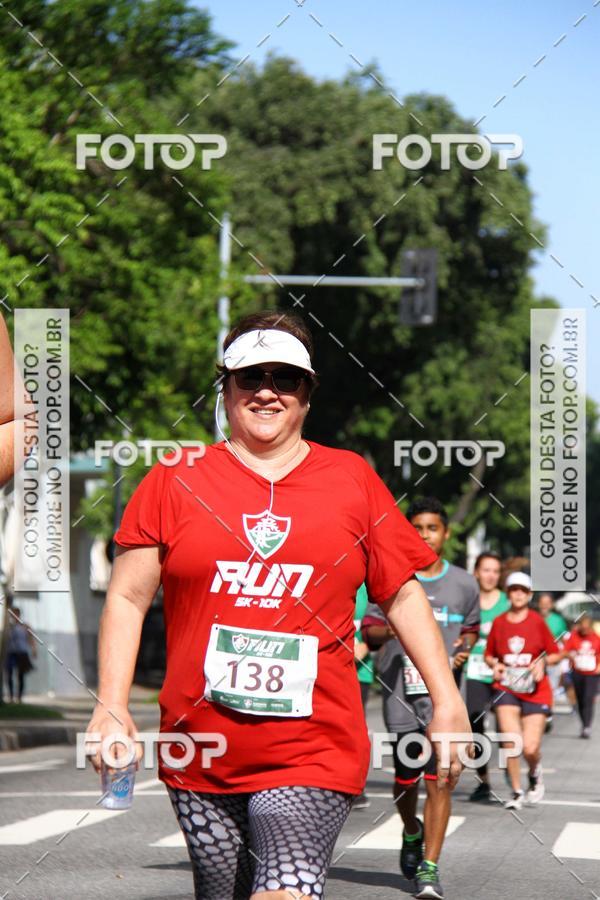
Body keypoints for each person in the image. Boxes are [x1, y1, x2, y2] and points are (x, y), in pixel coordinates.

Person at [85, 311, 471, 900]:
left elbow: (400, 592)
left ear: (307, 394)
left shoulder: (351, 480)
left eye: (285, 378)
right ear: (226, 389)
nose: (267, 390)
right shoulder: (175, 478)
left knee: (285, 889)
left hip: (312, 744)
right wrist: (112, 706)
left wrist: (446, 702)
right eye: (250, 377)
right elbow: (128, 597)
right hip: (201, 750)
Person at [363, 497, 478, 900]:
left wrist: (464, 645)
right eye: (416, 527)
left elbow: (471, 628)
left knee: (441, 780)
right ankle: (411, 831)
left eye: (432, 528)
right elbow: (370, 631)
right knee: (405, 780)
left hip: (443, 703)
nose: (424, 535)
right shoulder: (391, 576)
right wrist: (394, 631)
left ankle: (429, 867)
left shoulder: (465, 583)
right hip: (400, 697)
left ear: (446, 534)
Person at [485, 572, 560, 811]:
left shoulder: (537, 621)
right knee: (510, 741)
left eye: (523, 590)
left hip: (535, 690)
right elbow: (489, 655)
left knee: (529, 747)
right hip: (506, 686)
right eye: (513, 589)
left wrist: (542, 662)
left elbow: (556, 653)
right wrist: (494, 665)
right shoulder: (499, 622)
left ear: (529, 595)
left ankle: (535, 773)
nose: (518, 594)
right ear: (508, 593)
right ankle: (516, 791)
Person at [465, 552, 509, 802]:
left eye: (495, 571)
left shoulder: (507, 602)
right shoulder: (469, 600)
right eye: (486, 570)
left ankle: (511, 772)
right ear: (476, 573)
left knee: (506, 725)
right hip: (474, 671)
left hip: (502, 671)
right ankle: (483, 781)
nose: (490, 576)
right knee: (475, 722)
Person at [353, 583, 374, 809]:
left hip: (359, 671)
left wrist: (366, 646)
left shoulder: (368, 588)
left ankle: (357, 785)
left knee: (355, 727)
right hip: (324, 668)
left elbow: (381, 621)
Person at [562, 614, 600, 738]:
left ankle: (587, 727)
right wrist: (571, 655)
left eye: (586, 628)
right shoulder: (574, 636)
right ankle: (584, 723)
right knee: (580, 699)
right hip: (577, 672)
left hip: (592, 674)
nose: (584, 630)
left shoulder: (596, 638)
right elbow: (565, 651)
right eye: (582, 628)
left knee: (588, 699)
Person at [5, 607, 36, 702]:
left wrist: (34, 649)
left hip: (22, 652)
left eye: (16, 614)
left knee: (20, 675)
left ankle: (19, 697)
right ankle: (10, 696)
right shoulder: (8, 626)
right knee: (9, 674)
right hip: (10, 652)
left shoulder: (25, 626)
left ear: (19, 615)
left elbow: (31, 638)